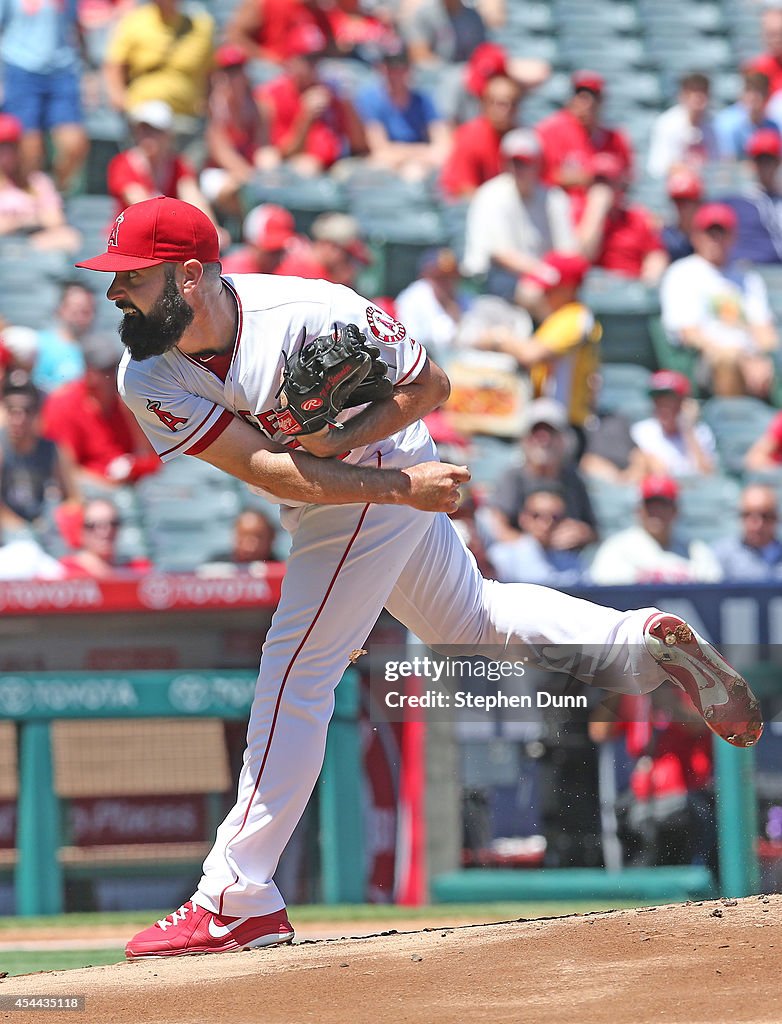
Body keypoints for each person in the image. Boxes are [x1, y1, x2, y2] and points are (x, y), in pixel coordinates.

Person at [74, 196, 762, 958]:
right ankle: (636, 643)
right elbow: (275, 471)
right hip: (344, 489)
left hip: (385, 462)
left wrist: (374, 460)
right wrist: (376, 479)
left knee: (295, 672)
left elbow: (431, 386)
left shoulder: (312, 309)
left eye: (131, 277)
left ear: (190, 275)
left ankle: (236, 896)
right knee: (465, 620)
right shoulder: (149, 376)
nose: (115, 293)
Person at [472, 253, 600, 438]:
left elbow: (530, 354)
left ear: (569, 289)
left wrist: (498, 338)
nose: (543, 294)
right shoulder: (557, 317)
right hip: (548, 421)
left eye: (550, 290)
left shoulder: (575, 317)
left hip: (564, 427)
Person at [659, 202, 778, 398]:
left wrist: (763, 358)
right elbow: (689, 334)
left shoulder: (747, 278)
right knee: (727, 360)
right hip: (705, 360)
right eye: (710, 233)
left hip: (750, 358)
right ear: (695, 236)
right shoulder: (682, 273)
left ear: (733, 237)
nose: (716, 240)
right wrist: (740, 358)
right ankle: (733, 422)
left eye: (722, 233)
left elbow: (764, 330)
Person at [461, 128, 577, 302]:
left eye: (525, 163)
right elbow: (501, 255)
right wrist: (546, 273)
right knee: (532, 294)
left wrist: (557, 275)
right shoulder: (491, 194)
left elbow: (567, 251)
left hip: (539, 277)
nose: (518, 169)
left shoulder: (554, 198)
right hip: (488, 280)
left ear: (538, 164)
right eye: (514, 162)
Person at [40, 334, 161, 488]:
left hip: (130, 488)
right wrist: (109, 485)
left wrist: (134, 467)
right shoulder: (64, 405)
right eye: (106, 371)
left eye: (115, 367)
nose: (114, 376)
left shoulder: (126, 401)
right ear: (90, 374)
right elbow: (64, 471)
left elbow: (150, 455)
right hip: (86, 491)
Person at [254, 23, 368, 176]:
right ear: (292, 60)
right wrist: (306, 117)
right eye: (308, 59)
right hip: (297, 171)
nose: (314, 65)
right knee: (302, 166)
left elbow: (360, 146)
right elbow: (282, 155)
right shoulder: (273, 95)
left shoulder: (331, 90)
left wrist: (348, 104)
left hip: (336, 167)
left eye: (317, 58)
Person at [0, 0, 90, 192]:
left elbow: (76, 28)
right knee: (29, 150)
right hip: (20, 69)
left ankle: (53, 196)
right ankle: (28, 202)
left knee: (74, 145)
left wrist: (88, 73)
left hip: (63, 71)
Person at [485, 397, 598, 546]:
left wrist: (582, 534)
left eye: (550, 432)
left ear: (564, 439)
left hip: (566, 561)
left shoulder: (574, 481)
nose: (543, 439)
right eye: (536, 432)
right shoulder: (513, 477)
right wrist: (533, 547)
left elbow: (594, 531)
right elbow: (498, 528)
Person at [588, 475, 723, 585]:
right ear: (639, 511)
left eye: (663, 506)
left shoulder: (696, 551)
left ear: (675, 511)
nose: (657, 512)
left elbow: (713, 592)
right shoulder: (617, 548)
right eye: (651, 506)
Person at [106, 100, 220, 228]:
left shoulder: (178, 165)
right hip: (129, 238)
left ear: (168, 135)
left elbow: (194, 199)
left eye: (154, 131)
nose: (147, 136)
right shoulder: (122, 164)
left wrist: (211, 228)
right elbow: (144, 208)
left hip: (165, 235)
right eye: (142, 130)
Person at [102, 0, 215, 124]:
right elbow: (114, 66)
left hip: (187, 117)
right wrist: (121, 101)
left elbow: (212, 73)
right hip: (144, 116)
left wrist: (207, 104)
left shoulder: (201, 27)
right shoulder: (134, 22)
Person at [200, 44, 279, 220]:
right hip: (219, 171)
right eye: (228, 70)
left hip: (250, 169)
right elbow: (222, 153)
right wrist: (251, 178)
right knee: (233, 189)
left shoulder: (259, 106)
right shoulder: (215, 108)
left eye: (237, 70)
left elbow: (264, 147)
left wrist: (266, 173)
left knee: (273, 170)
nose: (233, 76)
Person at [355, 40, 450, 182]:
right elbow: (380, 150)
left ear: (409, 69)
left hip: (418, 163)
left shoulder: (424, 100)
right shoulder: (369, 99)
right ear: (381, 68)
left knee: (416, 172)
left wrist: (412, 156)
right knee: (380, 167)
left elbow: (443, 147)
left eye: (400, 67)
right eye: (389, 67)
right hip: (390, 164)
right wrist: (422, 151)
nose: (395, 74)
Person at [0, 371, 78, 531]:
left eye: (26, 411)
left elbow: (73, 498)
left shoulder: (52, 449)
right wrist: (22, 530)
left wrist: (62, 517)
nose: (18, 419)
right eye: (12, 410)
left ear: (36, 413)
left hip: (44, 525)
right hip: (9, 529)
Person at [535, 71, 634, 197]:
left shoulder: (615, 138)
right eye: (581, 96)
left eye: (593, 97)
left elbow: (627, 180)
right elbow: (541, 177)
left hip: (604, 207)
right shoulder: (550, 130)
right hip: (558, 205)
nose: (587, 104)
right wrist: (592, 177)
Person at [575, 153, 669, 285]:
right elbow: (582, 257)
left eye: (608, 182)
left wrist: (649, 279)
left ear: (620, 185)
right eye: (598, 181)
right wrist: (596, 210)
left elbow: (655, 255)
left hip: (632, 289)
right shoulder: (577, 213)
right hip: (595, 290)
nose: (603, 187)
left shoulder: (637, 217)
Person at [0, 113, 81, 252]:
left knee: (69, 237)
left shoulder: (36, 181)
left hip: (32, 241)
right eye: (2, 146)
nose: (5, 153)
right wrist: (27, 219)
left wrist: (16, 222)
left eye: (10, 146)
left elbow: (55, 220)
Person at [439, 72, 522, 199]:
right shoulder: (470, 136)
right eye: (501, 104)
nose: (507, 110)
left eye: (513, 103)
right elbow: (463, 189)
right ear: (486, 104)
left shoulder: (521, 137)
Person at [488, 483, 587, 586]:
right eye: (536, 515)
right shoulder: (501, 557)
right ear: (523, 518)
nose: (546, 523)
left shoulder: (574, 561)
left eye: (555, 517)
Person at [630, 370, 716, 477]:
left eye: (669, 400)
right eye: (658, 400)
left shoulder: (700, 432)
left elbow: (707, 475)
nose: (663, 407)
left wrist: (688, 431)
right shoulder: (641, 431)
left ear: (683, 403)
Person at [394, 247, 469, 358]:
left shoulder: (462, 298)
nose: (447, 283)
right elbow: (412, 344)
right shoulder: (413, 298)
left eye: (452, 277)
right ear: (427, 276)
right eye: (441, 277)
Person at [722, 128, 782, 265]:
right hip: (752, 273)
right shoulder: (736, 202)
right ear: (752, 163)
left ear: (778, 161)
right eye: (760, 160)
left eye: (769, 159)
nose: (765, 165)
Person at [646, 72, 718, 180]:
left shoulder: (714, 124)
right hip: (672, 188)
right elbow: (658, 167)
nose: (699, 102)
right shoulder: (667, 124)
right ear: (683, 96)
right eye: (695, 96)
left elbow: (718, 162)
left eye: (703, 95)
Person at [59, 496, 152, 577]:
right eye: (94, 525)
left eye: (113, 524)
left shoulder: (136, 569)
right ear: (81, 530)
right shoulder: (65, 572)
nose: (106, 532)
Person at [275, 212, 371, 288]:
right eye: (348, 256)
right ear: (327, 246)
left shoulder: (328, 274)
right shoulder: (301, 276)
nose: (351, 268)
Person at [32, 281, 95, 394]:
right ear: (61, 310)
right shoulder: (40, 344)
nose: (80, 317)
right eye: (75, 311)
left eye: (86, 312)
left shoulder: (96, 352)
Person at [712, 483, 782, 581]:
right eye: (748, 515)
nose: (758, 524)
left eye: (765, 515)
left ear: (776, 517)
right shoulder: (721, 555)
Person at [714, 69, 779, 162]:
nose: (754, 97)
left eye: (759, 92)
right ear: (742, 94)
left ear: (767, 96)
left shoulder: (773, 126)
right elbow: (727, 163)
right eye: (749, 91)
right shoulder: (727, 122)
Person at [221, 204, 297, 276]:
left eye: (280, 251)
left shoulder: (294, 268)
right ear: (251, 244)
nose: (277, 258)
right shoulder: (230, 275)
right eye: (271, 251)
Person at [661, 167, 703, 264]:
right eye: (677, 201)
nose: (681, 207)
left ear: (698, 202)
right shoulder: (666, 237)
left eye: (686, 201)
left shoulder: (709, 234)